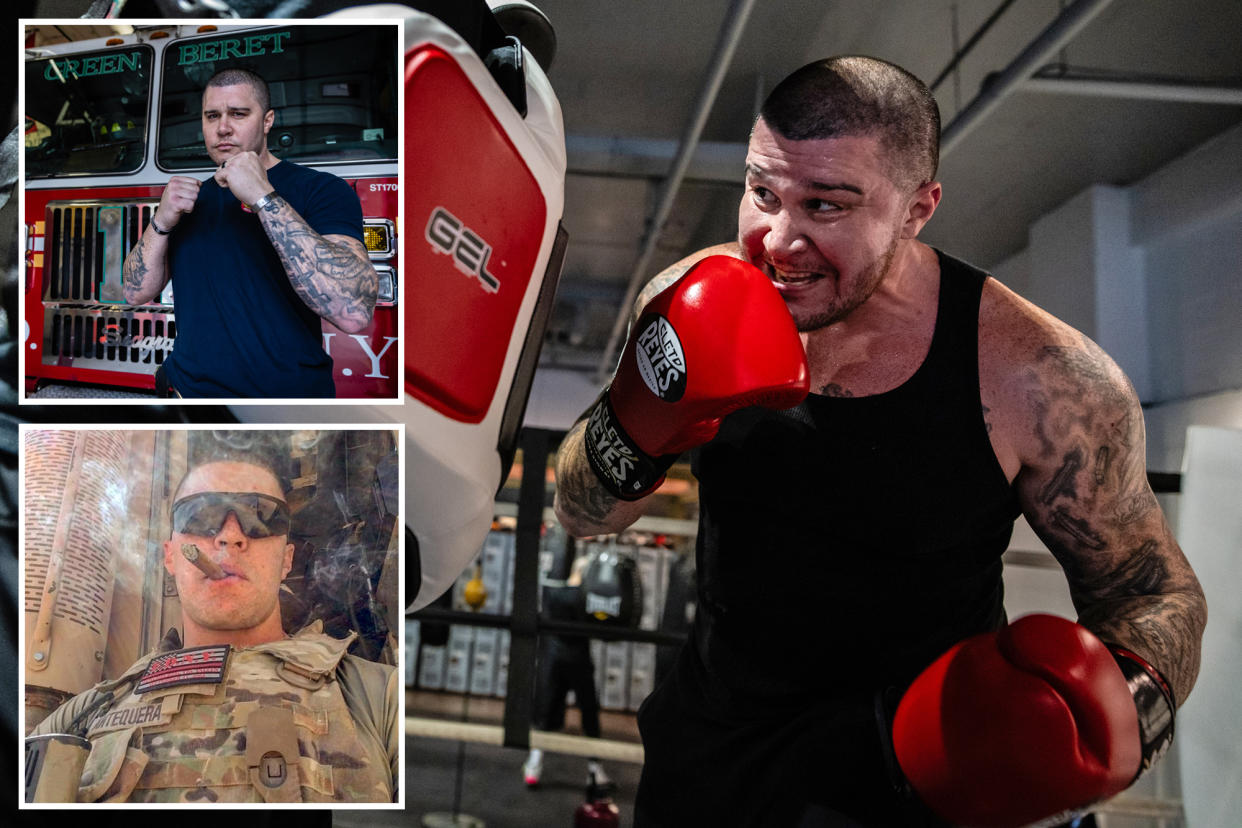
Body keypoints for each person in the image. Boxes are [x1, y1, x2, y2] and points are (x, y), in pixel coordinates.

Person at [553, 56, 1207, 827]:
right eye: (763, 192)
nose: (777, 240)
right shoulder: (689, 294)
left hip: (914, 778)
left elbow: (1154, 593)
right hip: (712, 758)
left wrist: (1118, 716)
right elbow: (580, 512)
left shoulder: (1039, 378)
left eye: (825, 205)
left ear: (916, 208)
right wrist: (638, 422)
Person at [28, 453, 400, 803]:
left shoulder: (380, 698)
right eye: (202, 515)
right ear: (171, 556)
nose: (230, 536)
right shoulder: (81, 715)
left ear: (287, 559)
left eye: (260, 516)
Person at [121, 67, 376, 398]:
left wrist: (263, 198)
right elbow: (132, 292)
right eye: (212, 116)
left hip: (283, 405)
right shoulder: (190, 200)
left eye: (238, 114)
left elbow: (353, 312)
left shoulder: (321, 189)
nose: (223, 127)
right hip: (187, 394)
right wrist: (161, 222)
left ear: (267, 121)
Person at [523, 554, 609, 790]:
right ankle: (595, 770)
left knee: (545, 713)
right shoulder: (583, 598)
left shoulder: (553, 593)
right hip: (578, 660)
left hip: (555, 660)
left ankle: (534, 763)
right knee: (588, 713)